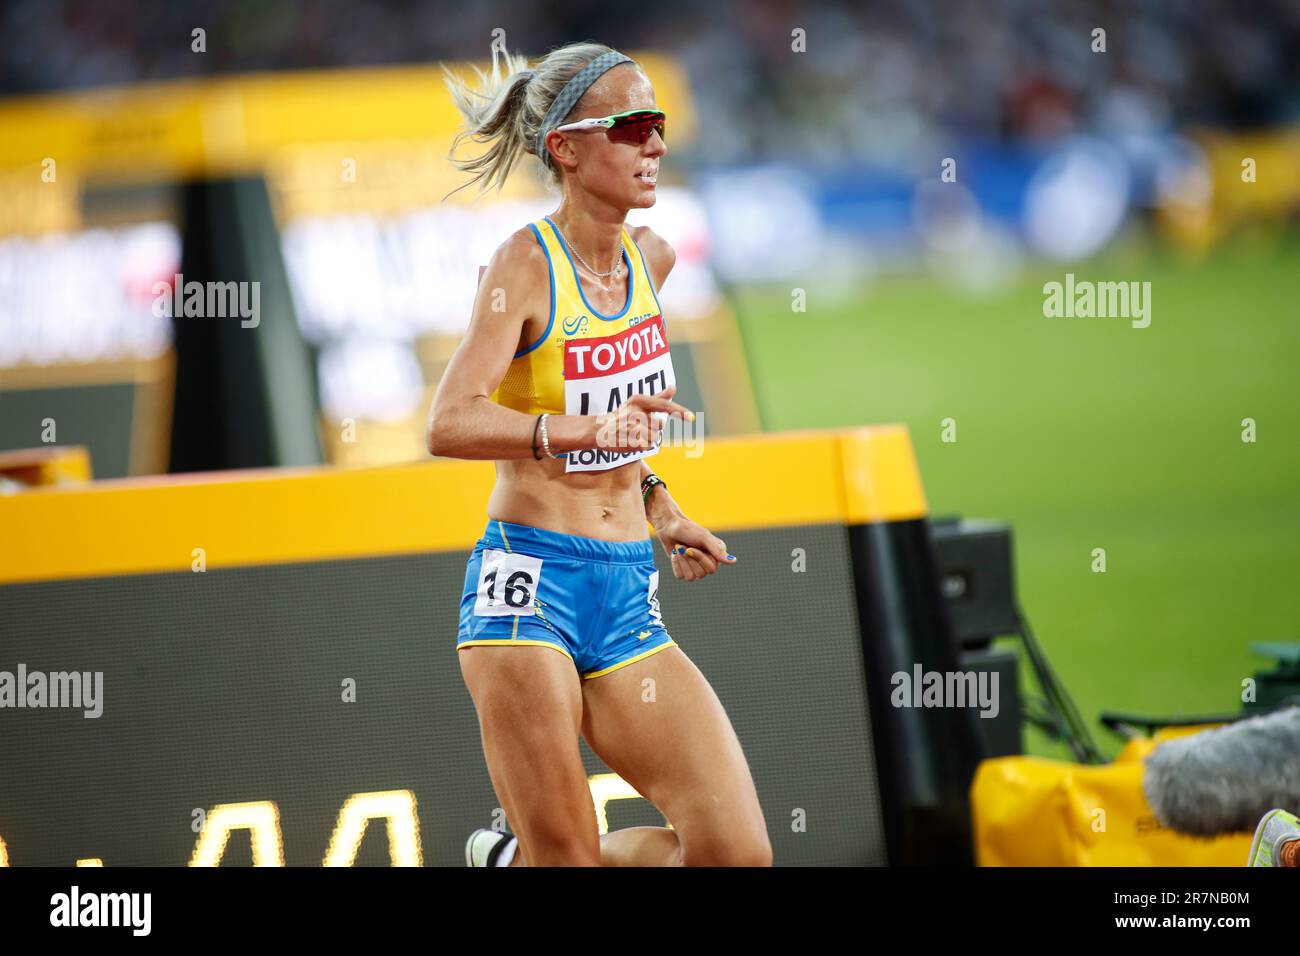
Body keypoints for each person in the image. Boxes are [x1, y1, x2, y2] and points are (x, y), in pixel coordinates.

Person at [428, 42, 771, 867]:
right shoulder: (522, 265)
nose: (656, 144)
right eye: (635, 126)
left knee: (735, 854)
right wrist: (573, 432)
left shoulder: (654, 259)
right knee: (567, 860)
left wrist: (659, 502)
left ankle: (508, 863)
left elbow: (621, 430)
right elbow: (449, 423)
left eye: (659, 126)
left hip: (624, 592)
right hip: (528, 587)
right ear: (568, 149)